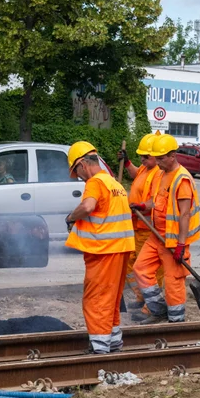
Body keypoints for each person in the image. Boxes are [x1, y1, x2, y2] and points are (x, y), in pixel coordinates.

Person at [65, 141, 135, 354]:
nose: (78, 176)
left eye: (76, 171)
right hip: (120, 249)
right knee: (111, 299)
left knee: (95, 300)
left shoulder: (95, 182)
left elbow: (88, 206)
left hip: (104, 250)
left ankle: (100, 349)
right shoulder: (114, 183)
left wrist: (70, 217)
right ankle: (113, 342)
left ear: (83, 164)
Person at [133, 134, 200, 324]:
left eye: (161, 158)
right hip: (156, 237)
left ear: (173, 156)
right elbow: (156, 201)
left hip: (173, 241)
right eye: (157, 158)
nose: (158, 162)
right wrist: (143, 206)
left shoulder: (182, 180)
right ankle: (159, 310)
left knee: (173, 282)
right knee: (140, 269)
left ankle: (176, 321)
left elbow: (185, 214)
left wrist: (181, 244)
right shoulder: (161, 175)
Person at [118, 134, 164, 320]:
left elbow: (155, 201)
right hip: (136, 224)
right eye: (141, 157)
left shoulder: (158, 174)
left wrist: (142, 206)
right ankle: (141, 295)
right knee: (131, 262)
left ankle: (151, 305)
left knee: (148, 268)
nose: (142, 160)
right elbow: (136, 174)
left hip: (148, 227)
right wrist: (128, 163)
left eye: (146, 156)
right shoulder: (145, 169)